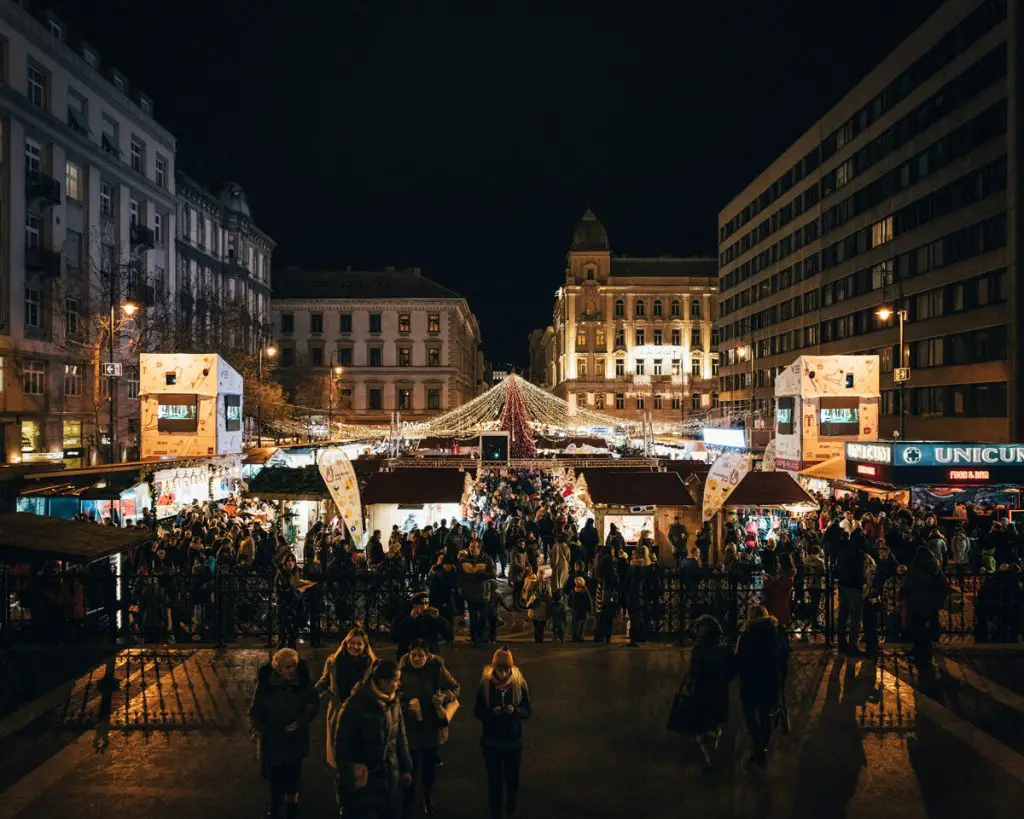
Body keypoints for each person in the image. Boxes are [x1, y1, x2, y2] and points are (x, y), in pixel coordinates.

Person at [333, 660, 413, 819]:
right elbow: (342, 744)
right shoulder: (355, 706)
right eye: (396, 680)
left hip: (391, 777)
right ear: (383, 681)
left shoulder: (394, 702)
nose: (399, 684)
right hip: (365, 784)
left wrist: (406, 768)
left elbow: (400, 737)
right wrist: (351, 772)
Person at [249, 648, 321, 818]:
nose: (291, 671)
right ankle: (275, 806)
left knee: (293, 778)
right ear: (278, 668)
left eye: (293, 666)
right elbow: (255, 708)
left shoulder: (302, 684)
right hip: (272, 739)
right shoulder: (266, 685)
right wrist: (256, 727)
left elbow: (313, 706)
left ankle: (292, 808)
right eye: (287, 667)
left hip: (293, 740)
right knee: (275, 779)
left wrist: (299, 722)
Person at [399, 640, 461, 817]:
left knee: (428, 766)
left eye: (420, 655)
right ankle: (408, 800)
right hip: (410, 727)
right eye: (413, 655)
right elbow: (394, 696)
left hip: (431, 726)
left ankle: (427, 796)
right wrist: (406, 707)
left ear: (427, 656)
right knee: (410, 765)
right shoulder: (402, 672)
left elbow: (455, 687)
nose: (416, 658)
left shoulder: (436, 668)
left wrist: (443, 697)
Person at [317, 628, 378, 807]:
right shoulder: (333, 662)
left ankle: (360, 795)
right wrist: (309, 696)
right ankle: (342, 798)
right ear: (345, 643)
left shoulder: (372, 665)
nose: (355, 646)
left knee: (359, 755)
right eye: (352, 642)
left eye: (359, 643)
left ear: (365, 646)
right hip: (338, 714)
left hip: (361, 716)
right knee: (340, 757)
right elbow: (325, 682)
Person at [473, 647, 532, 819]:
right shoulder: (485, 685)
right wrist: (492, 712)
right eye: (500, 669)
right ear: (494, 668)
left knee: (512, 779)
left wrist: (516, 710)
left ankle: (511, 804)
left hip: (513, 741)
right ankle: (495, 812)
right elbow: (477, 711)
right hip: (491, 741)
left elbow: (527, 709)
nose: (504, 673)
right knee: (494, 780)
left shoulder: (519, 683)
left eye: (507, 669)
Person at [735, 606, 783, 770]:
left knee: (750, 714)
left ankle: (758, 745)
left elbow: (740, 659)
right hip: (770, 680)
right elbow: (783, 657)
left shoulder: (747, 636)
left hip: (751, 680)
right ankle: (763, 744)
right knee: (765, 714)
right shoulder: (776, 634)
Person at [687, 615, 737, 769]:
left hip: (702, 692)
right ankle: (712, 754)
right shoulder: (726, 651)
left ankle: (710, 756)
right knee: (714, 725)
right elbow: (732, 671)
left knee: (703, 726)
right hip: (720, 692)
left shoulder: (699, 650)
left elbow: (694, 673)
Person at [900, 547, 951, 670]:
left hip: (916, 602)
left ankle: (921, 651)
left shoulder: (914, 568)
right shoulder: (935, 569)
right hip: (930, 603)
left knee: (917, 628)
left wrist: (902, 594)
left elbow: (907, 585)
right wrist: (938, 599)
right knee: (925, 628)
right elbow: (945, 586)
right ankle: (923, 651)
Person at [459, 539, 497, 647]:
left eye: (474, 547)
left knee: (483, 618)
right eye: (470, 547)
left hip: (483, 593)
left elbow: (493, 573)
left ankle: (482, 636)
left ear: (479, 548)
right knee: (473, 618)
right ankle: (474, 638)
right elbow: (460, 575)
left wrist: (480, 575)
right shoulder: (464, 560)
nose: (472, 549)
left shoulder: (487, 559)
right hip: (470, 593)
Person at [391, 593, 451, 658]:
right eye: (421, 603)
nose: (424, 606)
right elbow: (395, 637)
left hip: (429, 656)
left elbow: (449, 636)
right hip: (408, 656)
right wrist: (410, 619)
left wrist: (439, 619)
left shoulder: (431, 618)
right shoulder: (401, 617)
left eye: (426, 603)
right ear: (414, 605)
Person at [569, 576, 593, 642]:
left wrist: (571, 607)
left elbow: (569, 601)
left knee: (575, 624)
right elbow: (589, 601)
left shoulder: (572, 592)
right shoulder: (585, 592)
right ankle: (580, 637)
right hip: (583, 611)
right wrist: (590, 610)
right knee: (582, 625)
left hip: (575, 611)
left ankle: (574, 637)